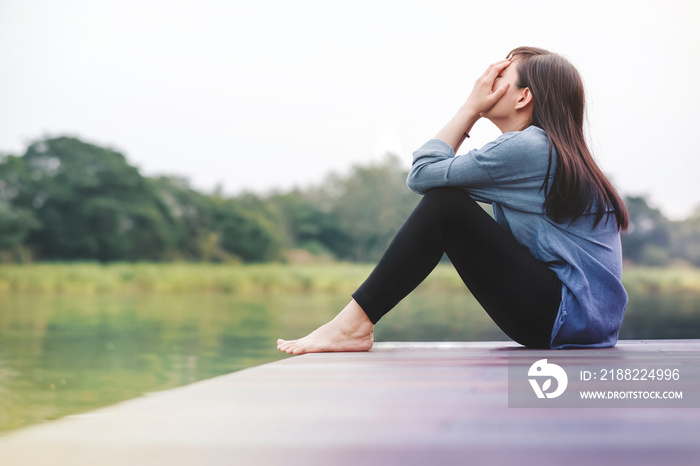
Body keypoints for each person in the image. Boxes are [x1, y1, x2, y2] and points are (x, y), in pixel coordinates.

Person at [277, 46, 629, 354]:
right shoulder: (552, 149)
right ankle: (352, 324)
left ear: (523, 97)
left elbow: (422, 174)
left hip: (564, 318)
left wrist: (470, 108)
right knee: (447, 202)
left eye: (500, 75)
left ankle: (352, 325)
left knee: (445, 205)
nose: (485, 82)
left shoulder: (530, 148)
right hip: (580, 322)